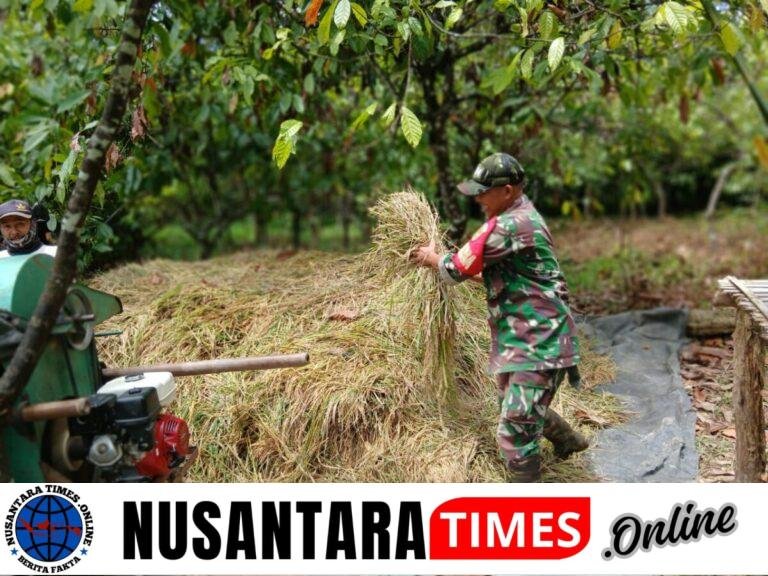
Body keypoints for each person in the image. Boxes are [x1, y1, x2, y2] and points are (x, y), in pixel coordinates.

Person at [412, 152, 588, 482]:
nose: (478, 198)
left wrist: (429, 257)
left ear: (507, 191)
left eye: (484, 191)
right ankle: (569, 440)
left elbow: (454, 270)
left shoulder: (506, 226)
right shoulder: (525, 215)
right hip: (528, 336)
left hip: (540, 342)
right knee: (513, 403)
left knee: (514, 434)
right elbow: (503, 276)